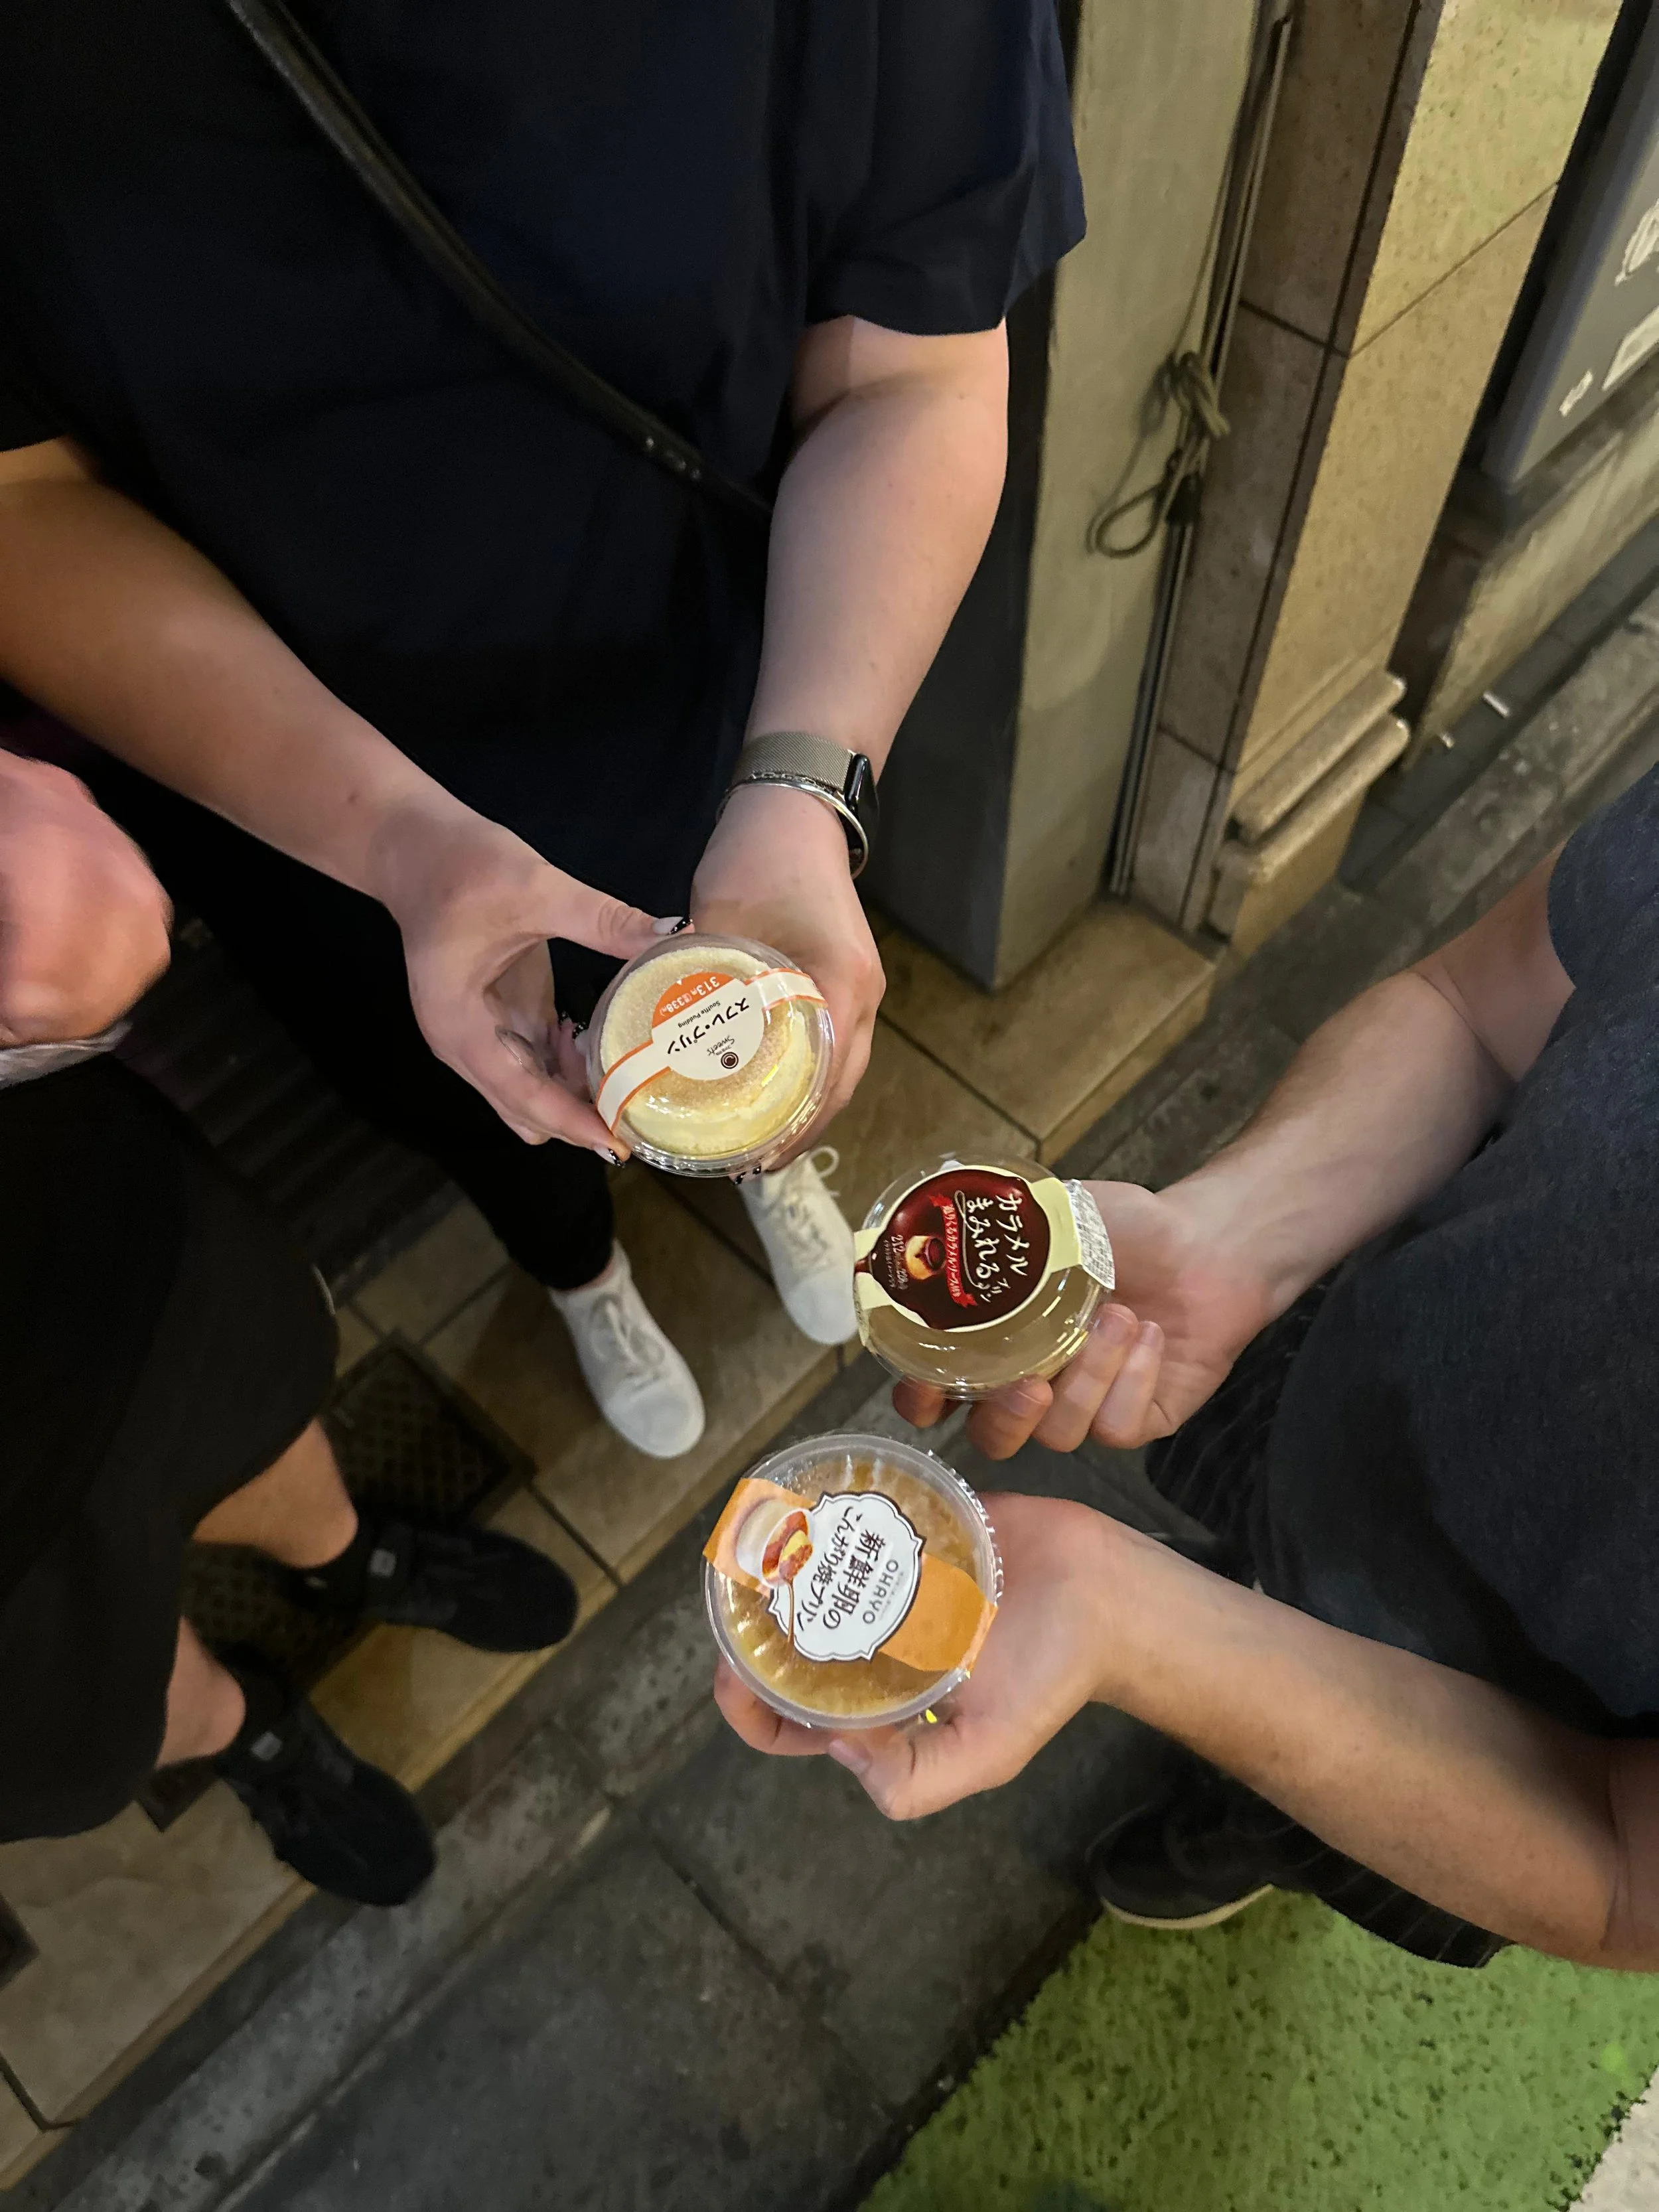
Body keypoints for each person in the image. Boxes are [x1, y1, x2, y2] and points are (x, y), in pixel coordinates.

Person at [0, 0, 1084, 1458]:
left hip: (728, 687)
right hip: (292, 769)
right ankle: (581, 1271)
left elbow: (914, 366)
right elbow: (22, 498)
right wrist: (391, 836)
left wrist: (801, 783)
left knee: (756, 993)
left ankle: (755, 1159)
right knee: (477, 1110)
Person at [719, 767, 1659, 1975]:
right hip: (1328, 1387)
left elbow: (1625, 1864)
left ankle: (1241, 1839)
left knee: (1296, 1816)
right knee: (1239, 1555)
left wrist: (1138, 1629)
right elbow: (1476, 1008)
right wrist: (1236, 1237)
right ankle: (1235, 1660)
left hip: (1508, 1742)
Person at [0, 745, 579, 1905]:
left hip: (51, 1225)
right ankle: (242, 1728)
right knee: (58, 1688)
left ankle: (346, 1555)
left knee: (228, 1394)